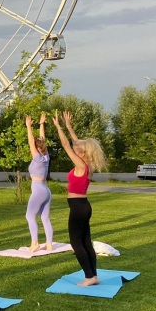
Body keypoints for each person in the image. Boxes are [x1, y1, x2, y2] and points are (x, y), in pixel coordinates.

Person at [52, 110, 107, 286]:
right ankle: (94, 276)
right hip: (84, 206)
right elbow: (75, 143)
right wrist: (68, 126)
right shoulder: (88, 165)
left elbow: (67, 145)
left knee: (76, 243)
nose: (76, 148)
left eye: (79, 149)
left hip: (77, 207)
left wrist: (59, 127)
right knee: (86, 242)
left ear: (82, 153)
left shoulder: (80, 165)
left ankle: (89, 277)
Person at [25, 113, 53, 252]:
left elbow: (31, 142)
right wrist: (41, 124)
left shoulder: (37, 158)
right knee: (45, 218)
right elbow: (42, 140)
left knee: (29, 216)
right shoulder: (46, 156)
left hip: (38, 190)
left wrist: (29, 127)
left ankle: (35, 242)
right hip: (46, 190)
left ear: (36, 148)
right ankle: (49, 244)